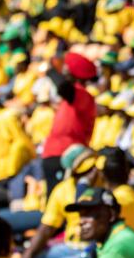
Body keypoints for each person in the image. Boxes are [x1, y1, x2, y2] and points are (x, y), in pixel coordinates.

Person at [20, 145, 100, 258]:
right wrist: (28, 254)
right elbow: (47, 227)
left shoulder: (103, 186)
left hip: (95, 247)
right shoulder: (63, 189)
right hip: (71, 246)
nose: (88, 174)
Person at [42, 53, 98, 193]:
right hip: (53, 154)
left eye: (67, 69)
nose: (64, 72)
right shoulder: (72, 98)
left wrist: (50, 71)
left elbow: (62, 87)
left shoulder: (84, 96)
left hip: (66, 155)